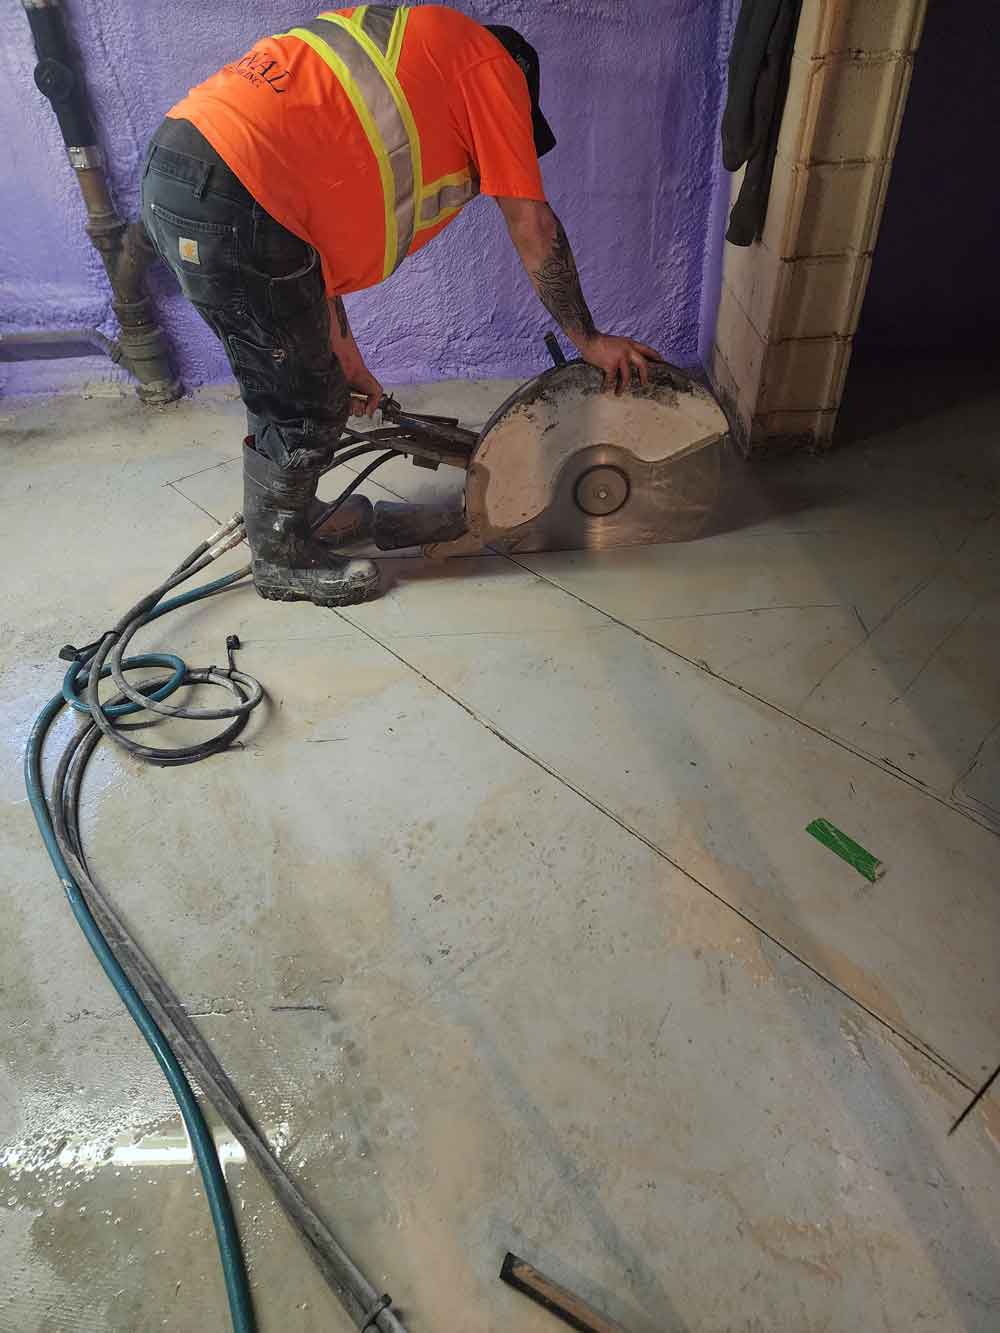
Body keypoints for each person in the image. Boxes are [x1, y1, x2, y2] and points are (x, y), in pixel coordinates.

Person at [141, 5, 661, 608]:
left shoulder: (421, 50)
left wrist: (346, 353)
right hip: (234, 192)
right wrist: (588, 339)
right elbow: (532, 223)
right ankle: (280, 557)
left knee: (295, 374)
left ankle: (295, 514)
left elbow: (311, 255)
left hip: (193, 164)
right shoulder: (493, 67)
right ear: (518, 87)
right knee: (302, 399)